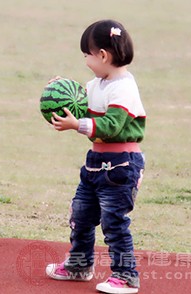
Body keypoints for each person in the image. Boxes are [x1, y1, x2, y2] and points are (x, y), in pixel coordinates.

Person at [45, 19, 146, 294]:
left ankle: (126, 276)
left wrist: (76, 125)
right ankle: (79, 265)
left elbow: (112, 125)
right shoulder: (98, 83)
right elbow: (79, 98)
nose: (86, 61)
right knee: (81, 215)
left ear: (102, 55)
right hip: (95, 163)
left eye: (87, 55)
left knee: (114, 222)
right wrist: (60, 89)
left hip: (121, 166)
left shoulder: (123, 87)